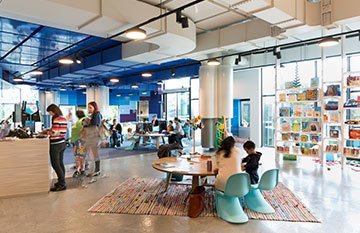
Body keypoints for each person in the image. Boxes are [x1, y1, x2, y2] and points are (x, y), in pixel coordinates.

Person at [46, 104, 68, 192]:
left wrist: (47, 132)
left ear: (53, 111)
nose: (50, 114)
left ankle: (62, 184)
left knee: (55, 164)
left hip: (55, 144)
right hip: (62, 142)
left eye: (50, 112)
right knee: (60, 163)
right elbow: (61, 131)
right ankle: (61, 181)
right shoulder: (63, 118)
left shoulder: (56, 119)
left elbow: (54, 132)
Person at [84, 101, 102, 177]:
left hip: (94, 137)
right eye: (88, 107)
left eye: (90, 107)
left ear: (95, 107)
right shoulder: (96, 114)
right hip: (93, 137)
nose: (89, 109)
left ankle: (96, 170)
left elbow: (94, 126)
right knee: (93, 154)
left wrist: (86, 125)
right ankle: (95, 170)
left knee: (94, 154)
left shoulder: (96, 114)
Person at [70, 110, 86, 178]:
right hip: (78, 141)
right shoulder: (81, 120)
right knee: (79, 156)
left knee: (79, 157)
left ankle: (79, 170)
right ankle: (81, 169)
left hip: (79, 141)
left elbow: (82, 131)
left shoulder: (81, 121)